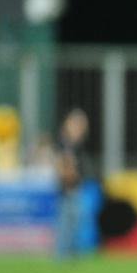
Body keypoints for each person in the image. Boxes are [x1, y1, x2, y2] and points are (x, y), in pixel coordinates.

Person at [55, 108, 90, 259]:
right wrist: (70, 177)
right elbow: (65, 166)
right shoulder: (65, 144)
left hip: (74, 187)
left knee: (74, 220)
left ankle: (70, 251)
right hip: (68, 188)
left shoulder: (74, 145)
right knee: (68, 221)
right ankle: (64, 253)